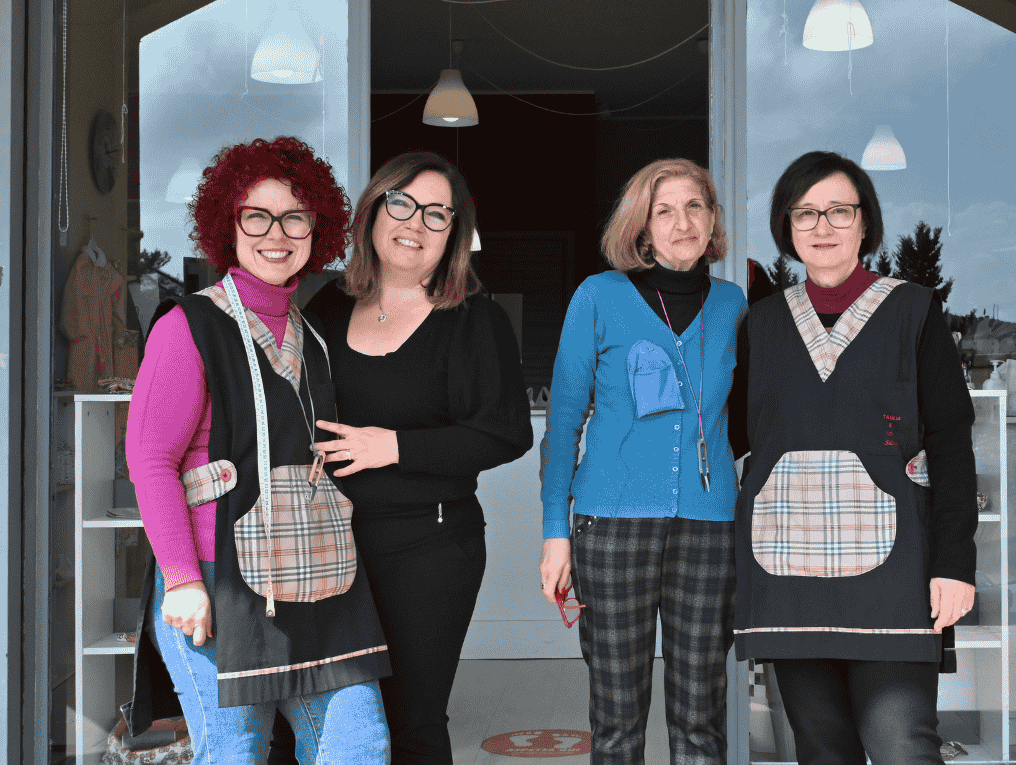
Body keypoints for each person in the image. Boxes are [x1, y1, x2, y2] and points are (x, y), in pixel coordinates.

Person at [125, 136, 391, 765]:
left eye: (295, 217)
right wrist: (182, 580)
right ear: (229, 224)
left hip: (318, 579)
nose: (277, 233)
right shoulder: (188, 326)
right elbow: (150, 459)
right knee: (235, 752)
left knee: (360, 746)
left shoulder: (309, 335)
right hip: (218, 582)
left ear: (316, 230)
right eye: (257, 216)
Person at [734, 151, 978, 765]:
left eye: (839, 211)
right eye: (806, 213)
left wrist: (955, 563)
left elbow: (950, 441)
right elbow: (731, 434)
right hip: (788, 570)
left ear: (865, 223)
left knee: (903, 746)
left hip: (895, 572)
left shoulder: (914, 310)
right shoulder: (761, 324)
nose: (823, 226)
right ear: (787, 227)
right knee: (822, 751)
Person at [302, 150, 534, 765]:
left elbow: (507, 433)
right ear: (373, 213)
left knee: (412, 721)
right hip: (328, 543)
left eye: (437, 213)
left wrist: (393, 446)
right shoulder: (327, 307)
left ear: (454, 234)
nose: (415, 223)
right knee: (328, 719)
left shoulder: (475, 320)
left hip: (430, 547)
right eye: (401, 203)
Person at [539, 158, 747, 765]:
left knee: (700, 716)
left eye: (695, 206)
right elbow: (563, 422)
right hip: (610, 525)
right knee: (617, 719)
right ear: (641, 226)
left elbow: (749, 416)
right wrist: (555, 531)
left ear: (712, 219)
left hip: (709, 527)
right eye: (665, 210)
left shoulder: (733, 304)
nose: (683, 223)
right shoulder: (598, 296)